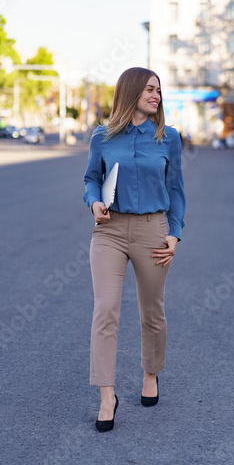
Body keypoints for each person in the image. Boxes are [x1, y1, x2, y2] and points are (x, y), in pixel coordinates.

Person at [83, 67, 186, 432]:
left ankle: (150, 374)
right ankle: (106, 396)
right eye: (148, 89)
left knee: (152, 312)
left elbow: (175, 189)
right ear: (129, 93)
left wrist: (174, 233)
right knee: (105, 309)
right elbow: (92, 178)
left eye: (158, 90)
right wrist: (94, 203)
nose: (156, 95)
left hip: (153, 230)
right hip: (109, 231)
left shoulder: (168, 138)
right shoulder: (103, 136)